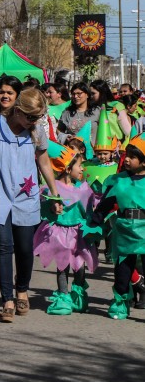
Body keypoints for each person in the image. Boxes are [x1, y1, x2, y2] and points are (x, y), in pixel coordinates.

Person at [0, 87, 61, 323]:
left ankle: (21, 288)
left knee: (24, 249)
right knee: (3, 247)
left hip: (26, 195)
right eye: (30, 117)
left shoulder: (37, 131)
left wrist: (54, 194)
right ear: (18, 110)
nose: (33, 122)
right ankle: (7, 300)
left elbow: (44, 162)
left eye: (37, 117)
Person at [33, 142, 98, 315]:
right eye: (79, 166)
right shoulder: (52, 188)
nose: (82, 169)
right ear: (68, 169)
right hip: (60, 234)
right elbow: (44, 208)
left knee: (80, 266)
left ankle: (78, 294)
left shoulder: (84, 189)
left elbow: (89, 211)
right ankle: (63, 296)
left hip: (78, 233)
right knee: (62, 266)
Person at [91, 136, 145, 319]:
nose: (127, 159)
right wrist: (95, 220)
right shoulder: (118, 180)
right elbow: (106, 203)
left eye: (133, 156)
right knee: (122, 270)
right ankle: (121, 302)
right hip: (124, 230)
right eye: (126, 155)